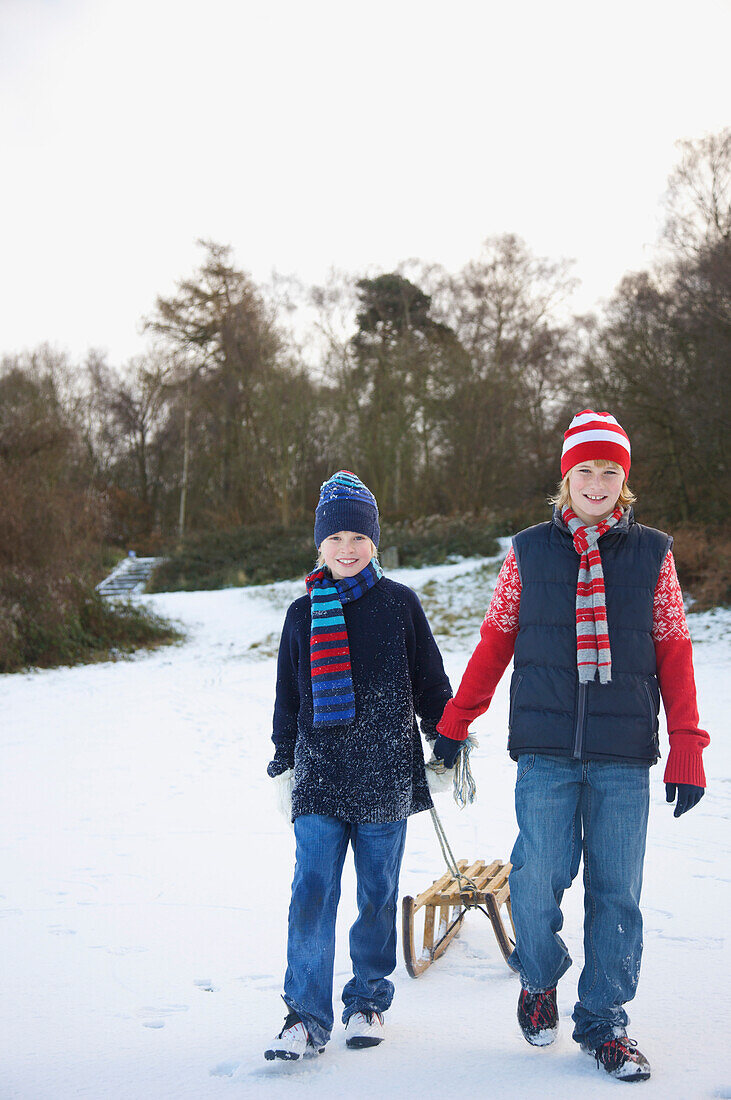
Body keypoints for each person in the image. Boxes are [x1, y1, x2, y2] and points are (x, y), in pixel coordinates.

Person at [433, 411, 709, 1084]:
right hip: (545, 751)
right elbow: (496, 640)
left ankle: (604, 1022)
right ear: (565, 478)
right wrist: (455, 719)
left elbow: (673, 652)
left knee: (616, 895)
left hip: (622, 755)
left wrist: (687, 745)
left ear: (624, 481)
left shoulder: (653, 554)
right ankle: (539, 978)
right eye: (584, 470)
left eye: (609, 471)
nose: (596, 482)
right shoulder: (528, 552)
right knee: (534, 881)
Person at [264, 470, 452, 1061]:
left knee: (377, 891)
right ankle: (305, 1016)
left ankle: (367, 998)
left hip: (385, 776)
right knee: (312, 890)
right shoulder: (301, 615)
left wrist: (445, 746)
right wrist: (282, 764)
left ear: (375, 542)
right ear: (319, 544)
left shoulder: (400, 605)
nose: (347, 549)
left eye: (358, 537)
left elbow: (431, 684)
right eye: (336, 538)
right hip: (319, 776)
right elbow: (287, 698)